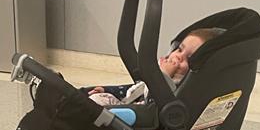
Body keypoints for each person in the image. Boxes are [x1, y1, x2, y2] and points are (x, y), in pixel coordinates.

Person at [88, 27, 222, 106]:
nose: (178, 57)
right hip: (131, 105)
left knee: (92, 104)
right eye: (180, 50)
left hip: (141, 122)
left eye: (188, 58)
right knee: (87, 98)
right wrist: (108, 90)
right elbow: (137, 89)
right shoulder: (164, 71)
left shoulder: (185, 88)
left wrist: (162, 77)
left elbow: (154, 107)